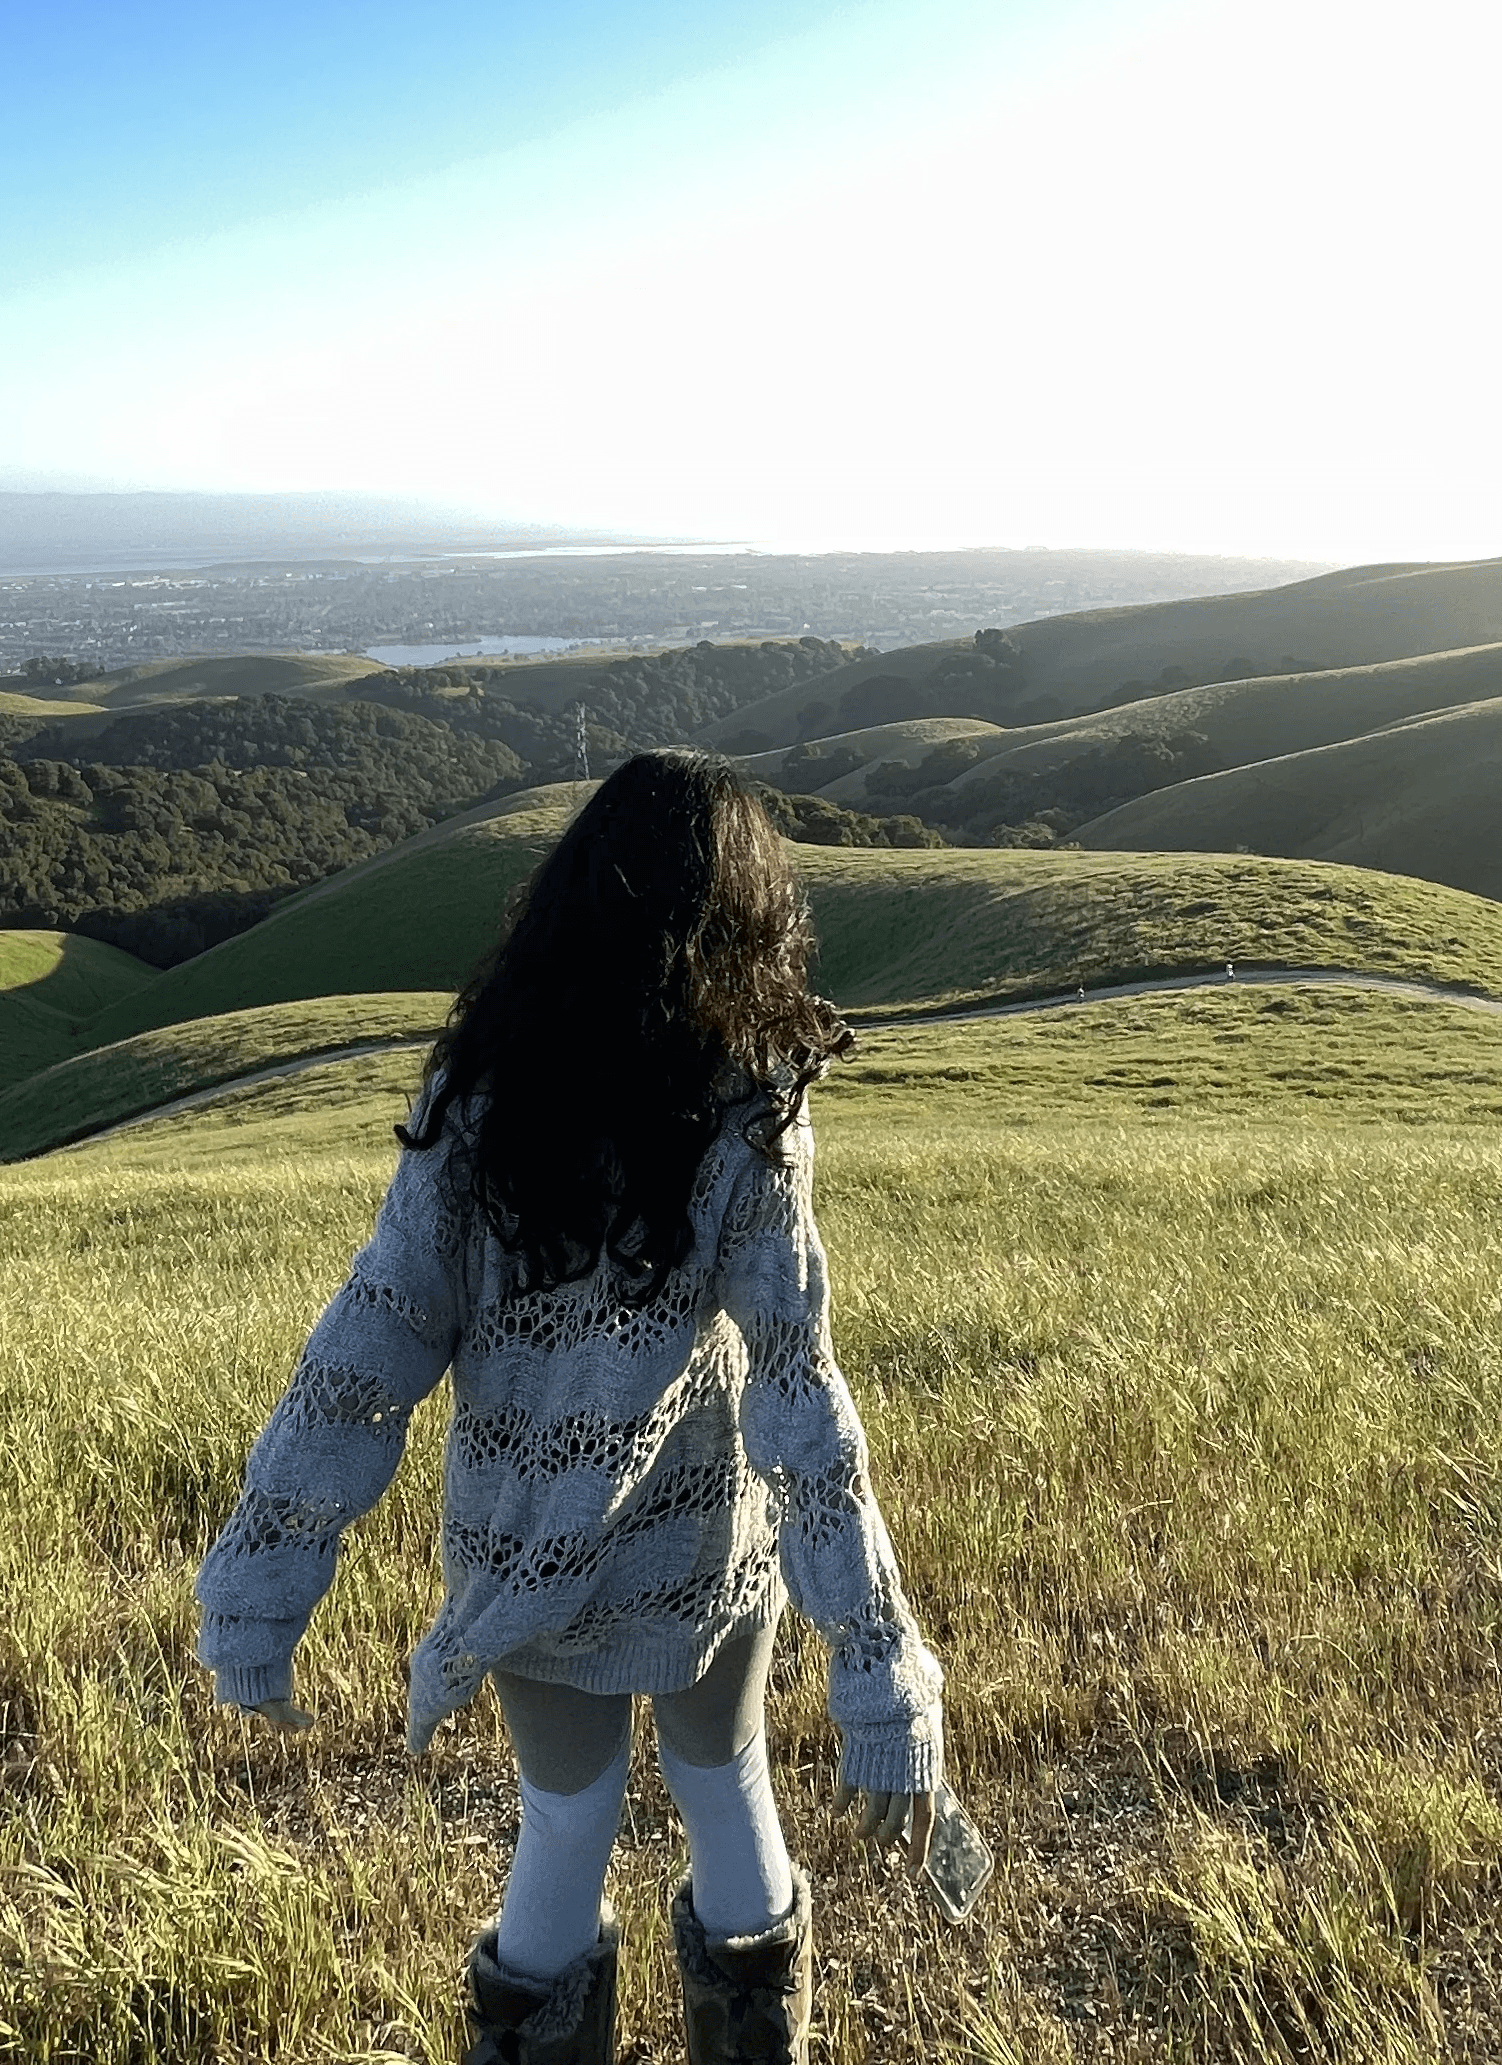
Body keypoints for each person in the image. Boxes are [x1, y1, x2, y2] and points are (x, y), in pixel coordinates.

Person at [195, 752, 944, 2065]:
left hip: (521, 1550)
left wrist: (259, 1584)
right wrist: (881, 1673)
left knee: (563, 1825)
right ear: (745, 914)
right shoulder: (748, 1103)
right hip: (708, 1542)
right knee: (728, 1786)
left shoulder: (478, 1091)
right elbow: (795, 1387)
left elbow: (368, 1347)